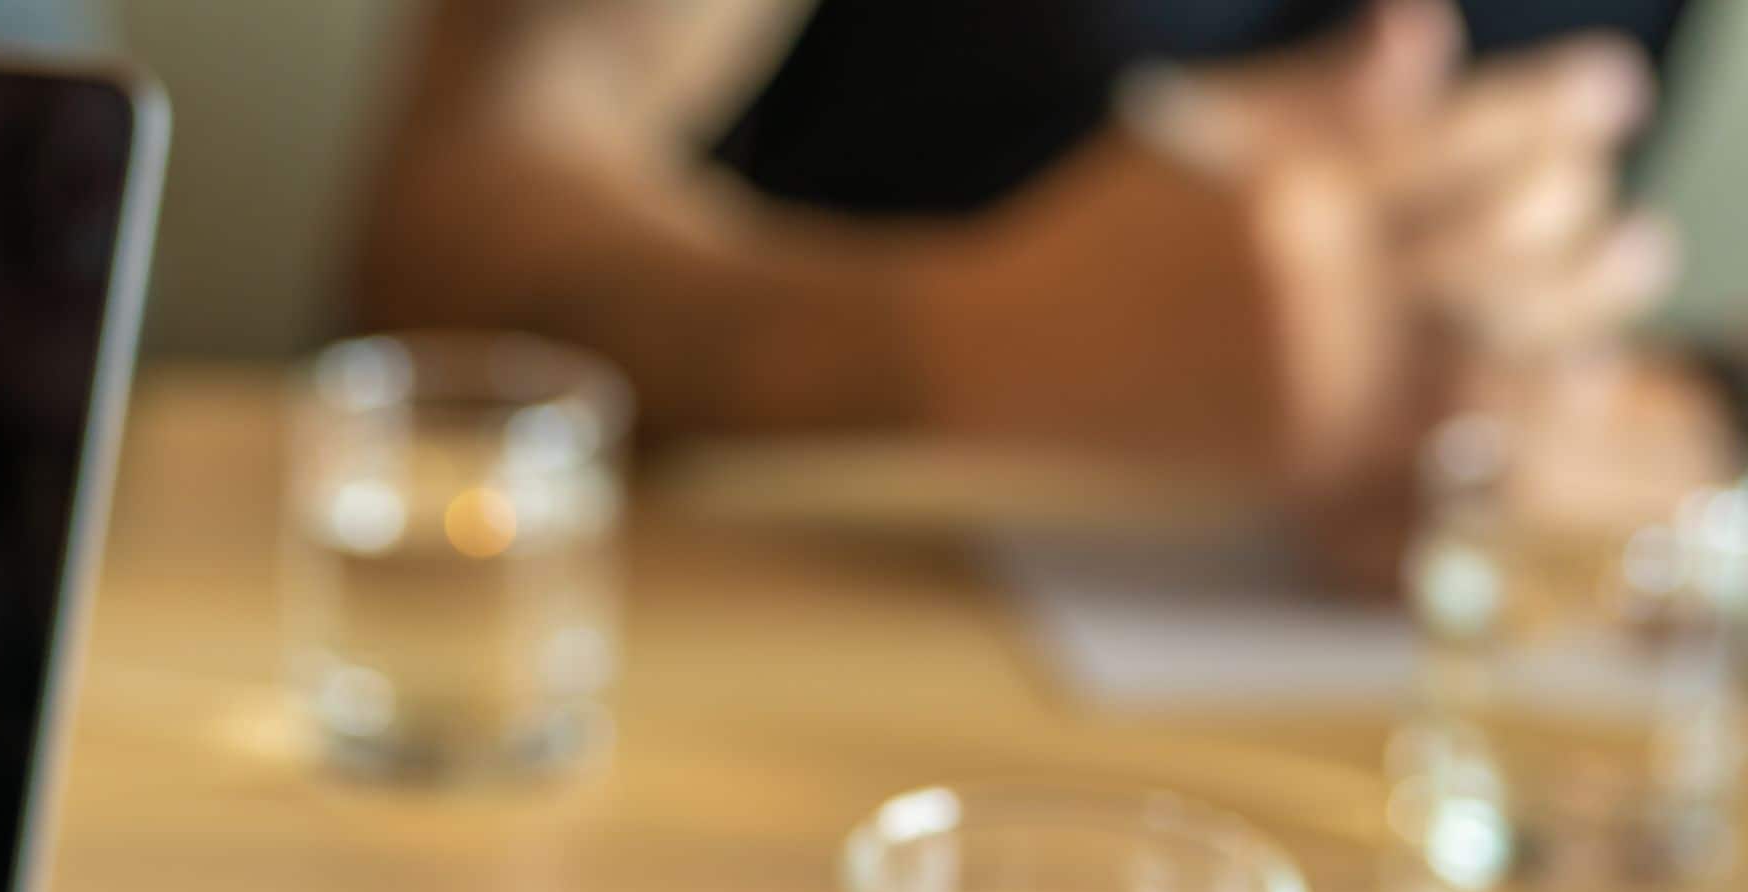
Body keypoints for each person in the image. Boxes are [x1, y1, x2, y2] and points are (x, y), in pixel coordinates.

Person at [354, 0, 1727, 561]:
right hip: (788, 702)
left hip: (1463, 774)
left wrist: (1642, 427)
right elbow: (453, 231)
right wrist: (963, 345)